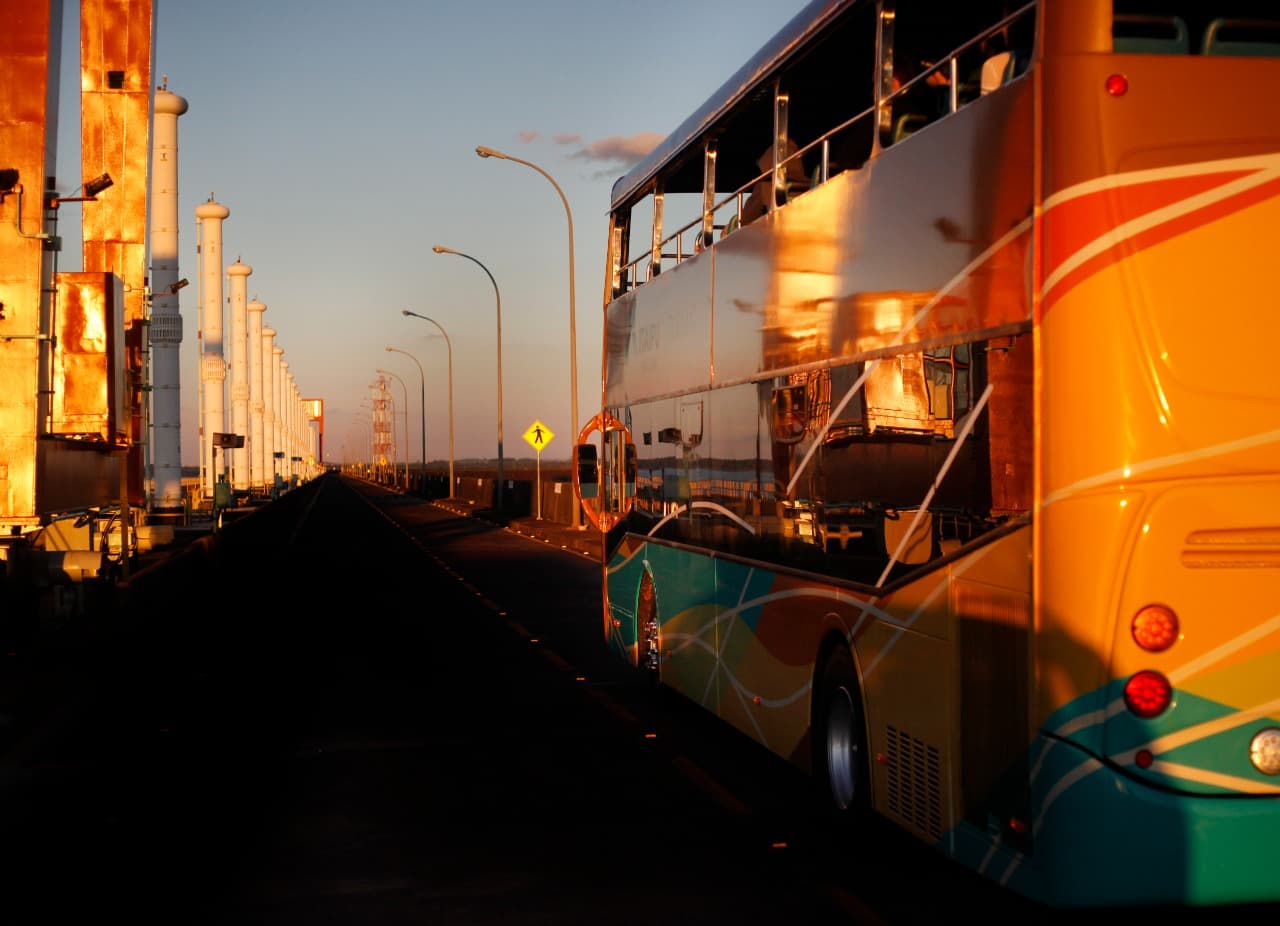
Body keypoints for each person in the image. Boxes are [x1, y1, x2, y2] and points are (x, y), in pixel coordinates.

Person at [738, 137, 808, 227]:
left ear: (767, 164)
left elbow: (746, 219)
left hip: (776, 228)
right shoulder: (810, 184)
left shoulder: (765, 184)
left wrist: (728, 229)